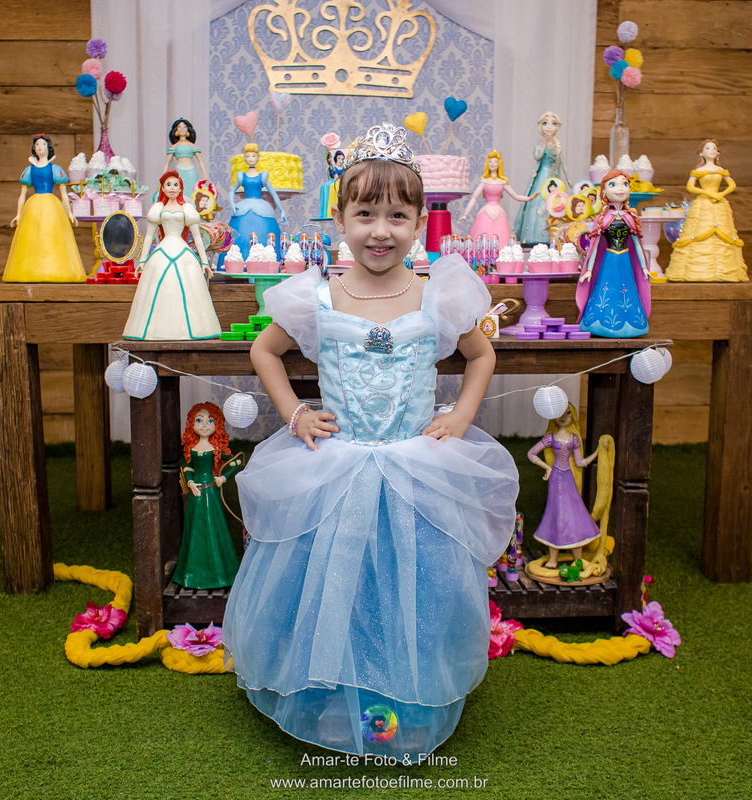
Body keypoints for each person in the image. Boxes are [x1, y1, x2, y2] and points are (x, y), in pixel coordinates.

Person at [223, 123, 518, 757]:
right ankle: (329, 697)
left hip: (413, 468)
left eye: (397, 214)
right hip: (339, 462)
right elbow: (264, 351)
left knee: (407, 584)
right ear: (340, 220)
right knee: (336, 584)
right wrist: (296, 414)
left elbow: (482, 356)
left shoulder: (436, 294)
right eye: (365, 214)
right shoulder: (319, 295)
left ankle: (398, 699)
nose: (380, 229)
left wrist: (461, 417)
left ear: (419, 222)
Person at [122, 171, 220, 340]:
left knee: (189, 287)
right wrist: (143, 259)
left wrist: (204, 261)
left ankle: (196, 329)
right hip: (163, 250)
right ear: (163, 187)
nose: (172, 188)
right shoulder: (158, 209)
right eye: (168, 184)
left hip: (183, 251)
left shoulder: (187, 209)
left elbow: (196, 236)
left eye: (175, 184)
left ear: (180, 187)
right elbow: (149, 236)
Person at [172, 403, 241, 589]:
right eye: (199, 420)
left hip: (210, 491)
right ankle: (192, 572)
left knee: (214, 527)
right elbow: (189, 467)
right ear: (192, 424)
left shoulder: (216, 448)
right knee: (195, 529)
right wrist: (191, 482)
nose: (204, 425)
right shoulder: (192, 447)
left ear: (216, 424)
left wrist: (223, 478)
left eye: (210, 421)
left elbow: (237, 461)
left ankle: (221, 573)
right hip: (196, 495)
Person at [575, 169, 651, 338]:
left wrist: (644, 267)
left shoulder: (630, 217)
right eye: (613, 184)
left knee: (627, 289)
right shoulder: (603, 218)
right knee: (605, 290)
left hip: (625, 260)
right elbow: (594, 246)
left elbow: (637, 244)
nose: (620, 188)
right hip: (609, 260)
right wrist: (588, 269)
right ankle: (598, 323)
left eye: (624, 184)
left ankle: (631, 324)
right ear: (604, 191)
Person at [3, 134, 88, 282]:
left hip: (51, 205)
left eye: (42, 144)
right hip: (33, 206)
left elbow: (64, 194)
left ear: (48, 148)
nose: (39, 146)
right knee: (31, 236)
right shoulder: (29, 170)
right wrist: (18, 214)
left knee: (53, 234)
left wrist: (70, 213)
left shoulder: (55, 169)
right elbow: (22, 194)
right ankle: (27, 269)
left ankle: (59, 268)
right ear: (34, 149)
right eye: (36, 144)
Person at [526, 403, 600, 569]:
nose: (564, 417)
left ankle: (577, 559)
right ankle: (553, 558)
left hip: (568, 479)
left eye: (567, 413)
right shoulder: (550, 438)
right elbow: (531, 453)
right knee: (556, 514)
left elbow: (580, 462)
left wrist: (596, 453)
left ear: (572, 416)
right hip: (556, 479)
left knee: (575, 513)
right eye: (560, 413)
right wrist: (546, 467)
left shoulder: (574, 440)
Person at [665, 139, 749, 282]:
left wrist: (720, 195)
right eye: (708, 148)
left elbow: (732, 185)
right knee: (698, 229)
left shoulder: (721, 170)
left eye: (714, 148)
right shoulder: (698, 171)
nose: (711, 150)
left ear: (718, 153)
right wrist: (709, 194)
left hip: (718, 203)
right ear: (701, 153)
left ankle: (727, 271)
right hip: (704, 202)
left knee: (723, 231)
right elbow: (690, 187)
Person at [511, 112, 570, 246]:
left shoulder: (557, 147)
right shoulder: (540, 146)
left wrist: (568, 178)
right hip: (542, 178)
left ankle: (553, 235)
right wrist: (545, 143)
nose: (549, 126)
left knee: (555, 203)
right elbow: (537, 156)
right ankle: (534, 235)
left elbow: (563, 163)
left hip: (554, 179)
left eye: (553, 123)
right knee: (538, 202)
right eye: (545, 123)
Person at [459, 150, 537, 247]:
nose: (493, 164)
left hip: (499, 212)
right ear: (487, 163)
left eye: (495, 161)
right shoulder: (484, 181)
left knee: (502, 239)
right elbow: (474, 198)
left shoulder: (502, 182)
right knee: (481, 238)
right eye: (491, 161)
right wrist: (465, 214)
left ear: (499, 164)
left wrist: (530, 198)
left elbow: (516, 196)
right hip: (485, 212)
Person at [227, 143, 286, 250]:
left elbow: (273, 194)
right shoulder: (241, 176)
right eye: (248, 156)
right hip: (243, 207)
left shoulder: (263, 176)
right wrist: (232, 203)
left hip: (261, 207)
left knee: (265, 233)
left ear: (258, 158)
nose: (250, 158)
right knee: (240, 235)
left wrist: (282, 210)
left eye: (253, 156)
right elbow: (232, 192)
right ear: (245, 157)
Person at [163, 117, 207, 194]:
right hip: (179, 171)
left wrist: (205, 177)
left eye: (184, 126)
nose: (182, 129)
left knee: (192, 192)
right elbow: (167, 163)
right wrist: (163, 178)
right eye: (179, 127)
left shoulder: (192, 145)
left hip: (191, 171)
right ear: (176, 130)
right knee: (180, 192)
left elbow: (201, 162)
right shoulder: (175, 146)